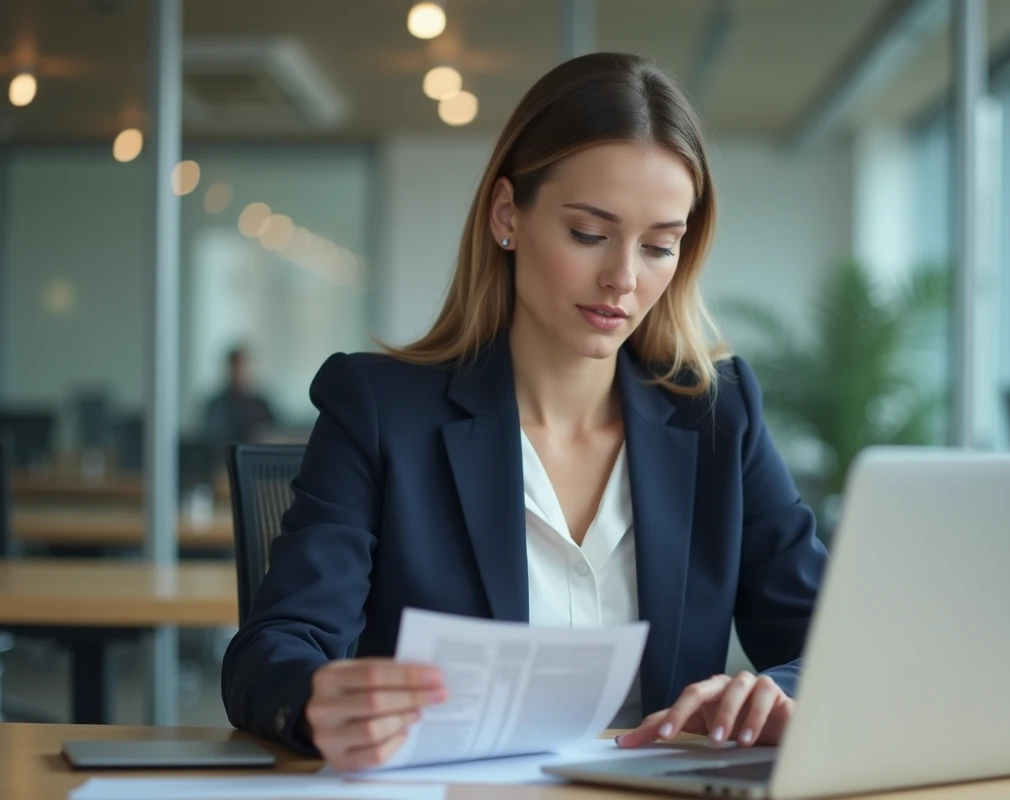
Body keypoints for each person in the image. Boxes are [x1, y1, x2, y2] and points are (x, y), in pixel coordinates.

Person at [222, 52, 827, 773]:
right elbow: (271, 650)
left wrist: (778, 695)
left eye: (660, 246)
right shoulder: (380, 411)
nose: (624, 279)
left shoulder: (719, 419)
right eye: (588, 234)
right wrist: (318, 697)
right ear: (508, 214)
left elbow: (828, 645)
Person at [203, 346, 277, 450]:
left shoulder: (260, 403)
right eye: (236, 368)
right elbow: (213, 439)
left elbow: (274, 432)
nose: (240, 373)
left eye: (243, 368)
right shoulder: (217, 406)